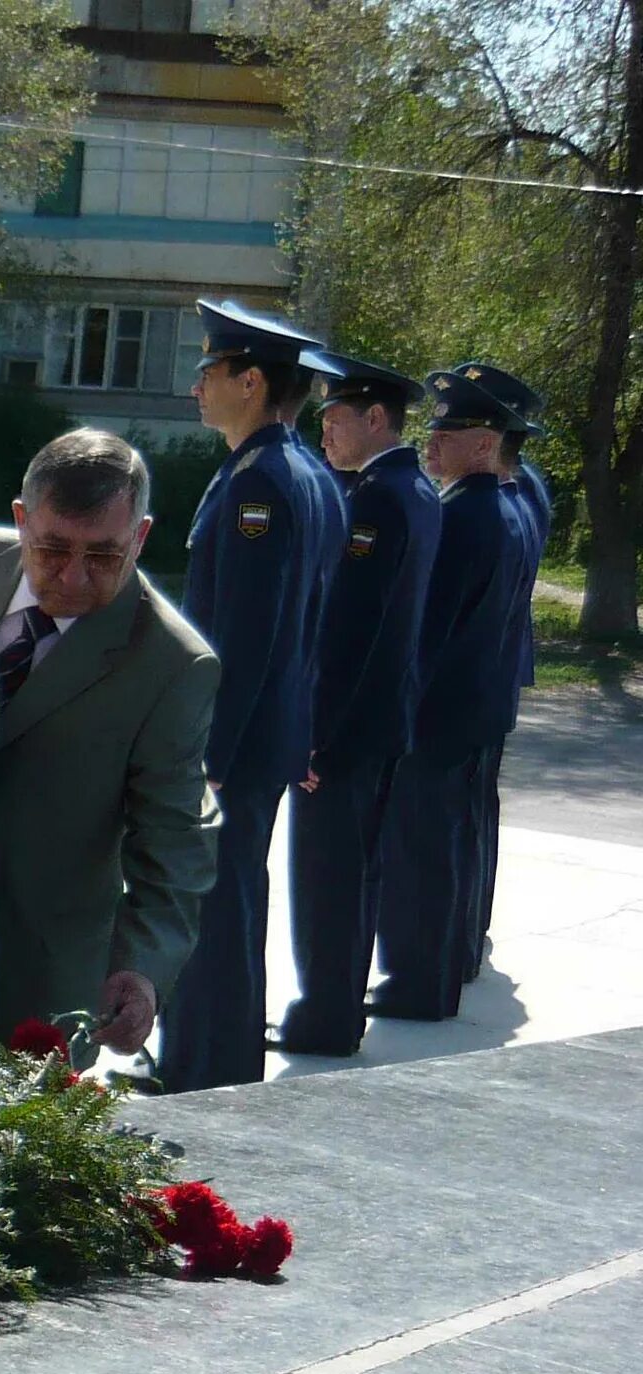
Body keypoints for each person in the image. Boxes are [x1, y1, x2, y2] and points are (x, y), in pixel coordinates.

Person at [0, 430, 219, 1051]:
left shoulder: (172, 664)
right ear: (20, 520)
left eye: (103, 556)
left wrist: (142, 969)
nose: (72, 576)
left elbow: (174, 840)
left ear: (141, 537)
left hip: (35, 978)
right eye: (52, 548)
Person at [155, 300, 348, 1091]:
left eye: (210, 370)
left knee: (214, 905)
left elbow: (246, 633)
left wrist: (214, 754)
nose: (197, 384)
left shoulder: (263, 481)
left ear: (251, 380)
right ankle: (209, 1058)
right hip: (270, 732)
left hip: (237, 739)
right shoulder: (303, 470)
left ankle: (206, 1070)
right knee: (230, 899)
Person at [277, 355, 441, 1055]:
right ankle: (336, 1006)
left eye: (337, 419)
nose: (326, 433)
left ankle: (326, 1015)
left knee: (330, 877)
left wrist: (317, 736)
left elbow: (354, 630)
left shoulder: (377, 497)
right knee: (354, 872)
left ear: (377, 419)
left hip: (351, 728)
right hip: (382, 720)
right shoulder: (415, 487)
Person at [373, 365, 532, 1021]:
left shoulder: (466, 515)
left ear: (487, 442)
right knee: (449, 847)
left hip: (440, 715)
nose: (434, 439)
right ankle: (438, 971)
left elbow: (426, 630)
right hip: (470, 709)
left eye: (453, 428)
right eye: (434, 427)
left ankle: (419, 983)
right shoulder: (498, 507)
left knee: (422, 854)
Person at [465, 372, 551, 985]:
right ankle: (471, 921)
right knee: (477, 805)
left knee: (469, 807)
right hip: (500, 669)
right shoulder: (525, 492)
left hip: (487, 670)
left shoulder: (514, 496)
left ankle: (467, 922)